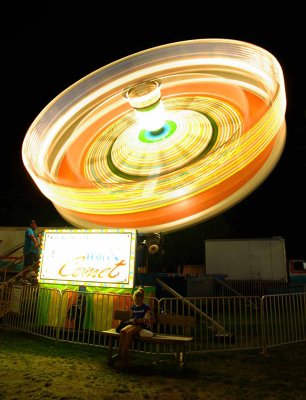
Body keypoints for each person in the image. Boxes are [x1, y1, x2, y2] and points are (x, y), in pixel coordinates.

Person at [112, 287, 154, 368]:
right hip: (134, 324)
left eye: (138, 300)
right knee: (122, 331)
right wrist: (132, 320)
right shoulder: (133, 307)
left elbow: (152, 320)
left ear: (142, 299)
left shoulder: (146, 307)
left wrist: (142, 320)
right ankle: (120, 354)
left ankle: (123, 357)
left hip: (141, 325)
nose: (137, 302)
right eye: (135, 300)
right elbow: (130, 317)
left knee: (128, 333)